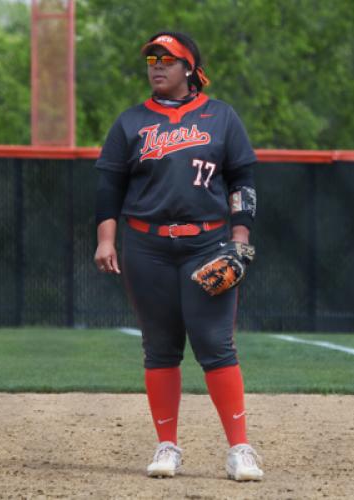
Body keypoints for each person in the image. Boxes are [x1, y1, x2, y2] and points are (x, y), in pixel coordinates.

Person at [93, 31, 263, 481]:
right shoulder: (130, 122)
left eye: (167, 59)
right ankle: (167, 445)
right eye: (151, 58)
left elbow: (241, 180)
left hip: (206, 243)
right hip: (146, 246)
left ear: (189, 68)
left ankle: (240, 449)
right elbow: (108, 186)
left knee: (215, 344)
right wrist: (106, 239)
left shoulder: (221, 117)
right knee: (160, 348)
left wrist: (240, 239)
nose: (156, 65)